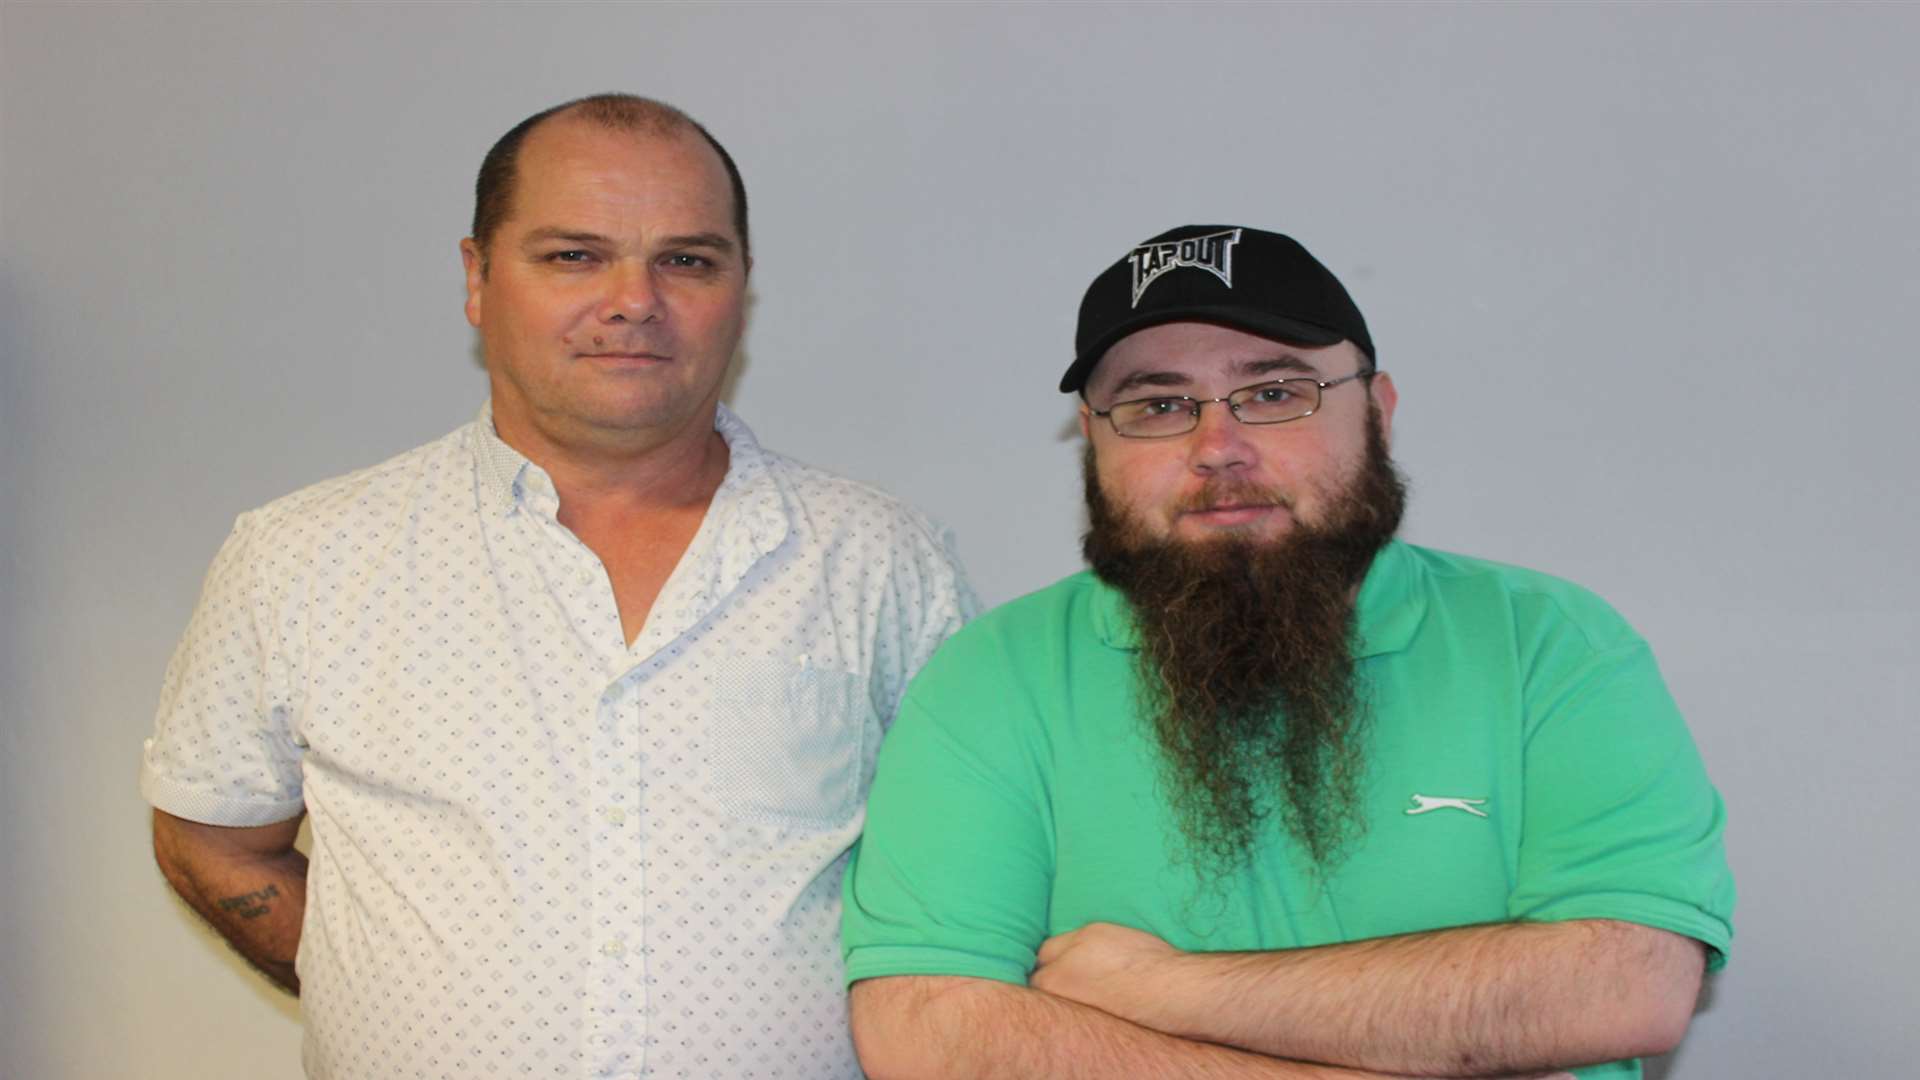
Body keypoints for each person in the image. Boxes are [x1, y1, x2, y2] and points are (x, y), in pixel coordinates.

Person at [141, 93, 975, 1079]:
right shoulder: (302, 556)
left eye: (687, 260)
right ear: (477, 278)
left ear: (742, 288)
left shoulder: (881, 559)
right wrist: (378, 978)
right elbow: (217, 841)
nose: (633, 299)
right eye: (573, 255)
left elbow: (965, 898)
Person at [842, 225, 1733, 1079]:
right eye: (1158, 405)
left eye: (1274, 394)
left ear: (1378, 413)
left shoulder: (1549, 646)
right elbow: (925, 1029)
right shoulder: (990, 680)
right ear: (1092, 441)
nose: (1216, 449)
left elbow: (1628, 983)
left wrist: (1158, 989)